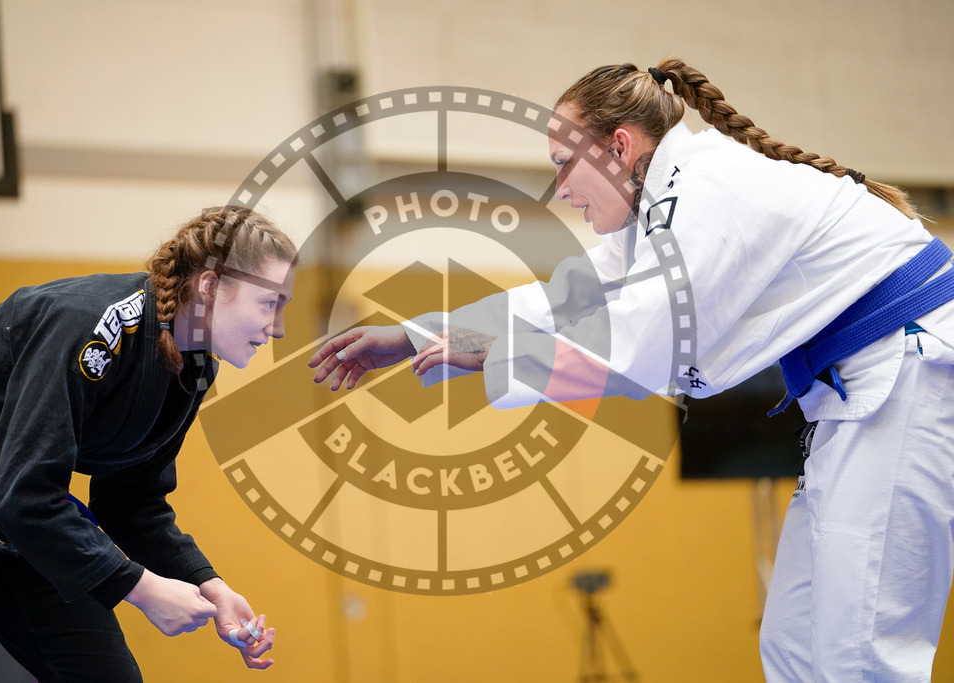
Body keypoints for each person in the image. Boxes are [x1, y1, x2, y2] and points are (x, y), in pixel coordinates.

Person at [309, 59, 954, 680]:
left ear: (619, 146)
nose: (561, 189)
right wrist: (415, 335)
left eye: (565, 165)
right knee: (794, 643)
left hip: (908, 376)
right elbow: (561, 299)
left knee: (861, 656)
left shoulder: (710, 192)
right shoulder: (658, 212)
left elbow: (645, 349)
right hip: (863, 391)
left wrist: (493, 358)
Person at [0, 205, 296, 681]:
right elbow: (24, 494)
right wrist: (140, 588)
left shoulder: (194, 366)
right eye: (269, 304)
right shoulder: (91, 326)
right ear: (209, 286)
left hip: (22, 519)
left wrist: (208, 585)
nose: (279, 327)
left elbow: (131, 502)